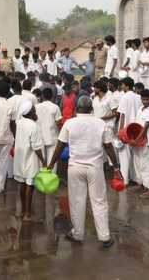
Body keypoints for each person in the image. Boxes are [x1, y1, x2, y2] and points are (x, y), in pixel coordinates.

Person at [48, 96, 119, 248]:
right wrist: (117, 167)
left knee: (76, 201)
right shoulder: (100, 123)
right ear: (91, 109)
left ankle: (78, 233)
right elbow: (108, 147)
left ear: (77, 109)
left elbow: (60, 146)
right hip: (95, 167)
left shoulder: (70, 123)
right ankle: (105, 237)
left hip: (75, 167)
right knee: (99, 201)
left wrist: (50, 165)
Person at [13, 100, 45, 221]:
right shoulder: (34, 126)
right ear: (30, 112)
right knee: (30, 186)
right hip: (31, 159)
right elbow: (36, 147)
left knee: (22, 184)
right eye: (34, 110)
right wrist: (43, 160)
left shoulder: (19, 123)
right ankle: (27, 213)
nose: (35, 111)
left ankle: (22, 211)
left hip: (20, 157)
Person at [131, 89, 149, 197]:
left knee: (147, 165)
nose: (145, 101)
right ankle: (140, 184)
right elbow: (136, 125)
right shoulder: (140, 109)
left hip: (146, 141)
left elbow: (146, 127)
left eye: (147, 99)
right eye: (143, 99)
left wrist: (137, 140)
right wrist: (132, 138)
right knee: (137, 163)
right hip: (138, 140)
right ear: (141, 99)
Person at [116, 77, 141, 185]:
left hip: (126, 129)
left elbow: (122, 115)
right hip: (136, 129)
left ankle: (125, 180)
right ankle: (136, 179)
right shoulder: (138, 97)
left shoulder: (124, 97)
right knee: (135, 156)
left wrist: (120, 131)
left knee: (124, 156)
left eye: (122, 85)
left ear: (126, 86)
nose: (121, 87)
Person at [36, 88, 62, 173]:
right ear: (52, 96)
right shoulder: (55, 107)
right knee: (52, 161)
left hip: (39, 136)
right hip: (52, 136)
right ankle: (51, 180)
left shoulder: (36, 107)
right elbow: (58, 122)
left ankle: (41, 180)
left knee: (41, 161)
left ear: (42, 96)